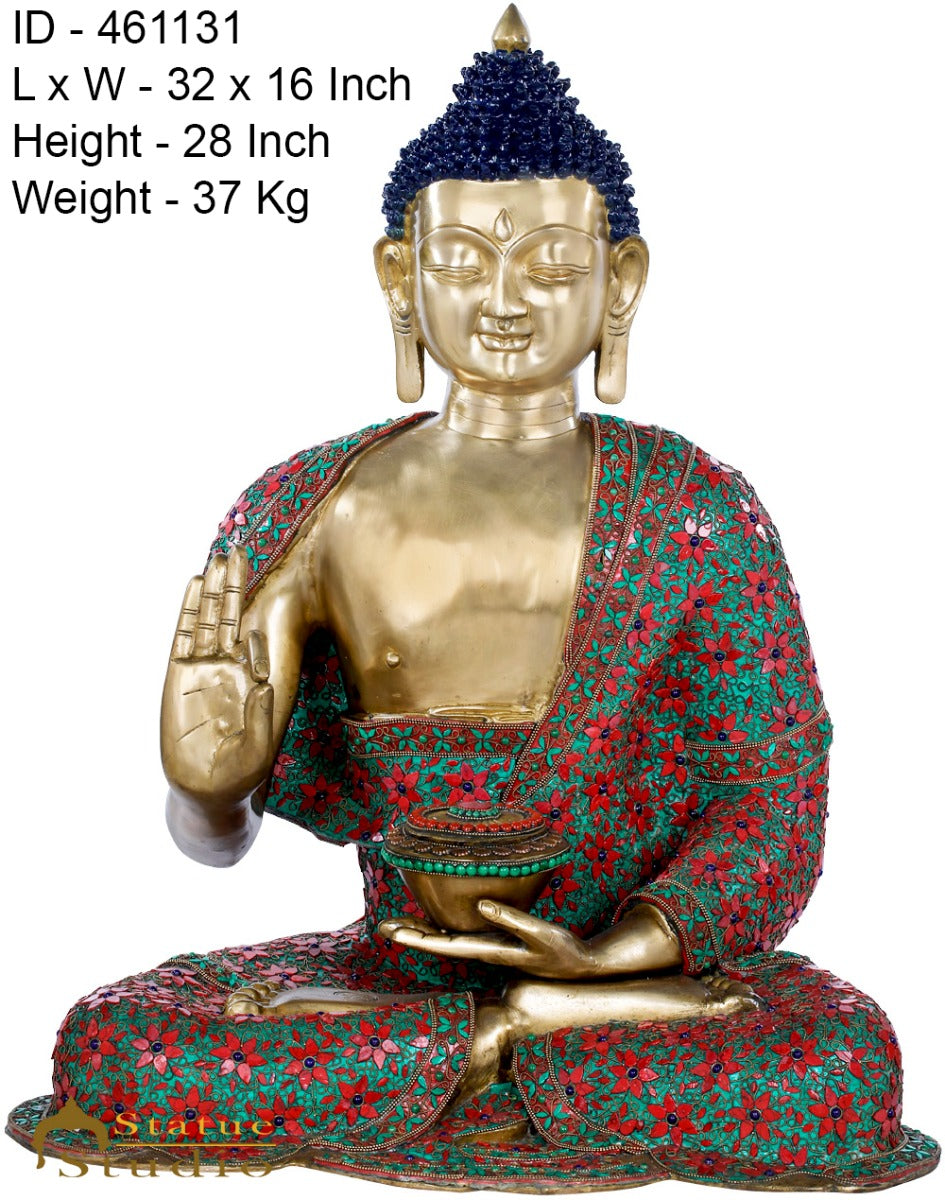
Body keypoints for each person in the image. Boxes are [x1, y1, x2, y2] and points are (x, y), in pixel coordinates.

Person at [9, 7, 937, 1190]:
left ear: (620, 281)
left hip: (630, 975)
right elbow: (213, 844)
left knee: (839, 1060)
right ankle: (503, 1043)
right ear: (399, 276)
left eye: (551, 265)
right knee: (121, 1043)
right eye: (462, 261)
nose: (505, 299)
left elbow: (777, 806)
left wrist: (619, 954)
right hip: (392, 976)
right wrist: (208, 787)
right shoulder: (309, 511)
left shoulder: (693, 509)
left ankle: (474, 1050)